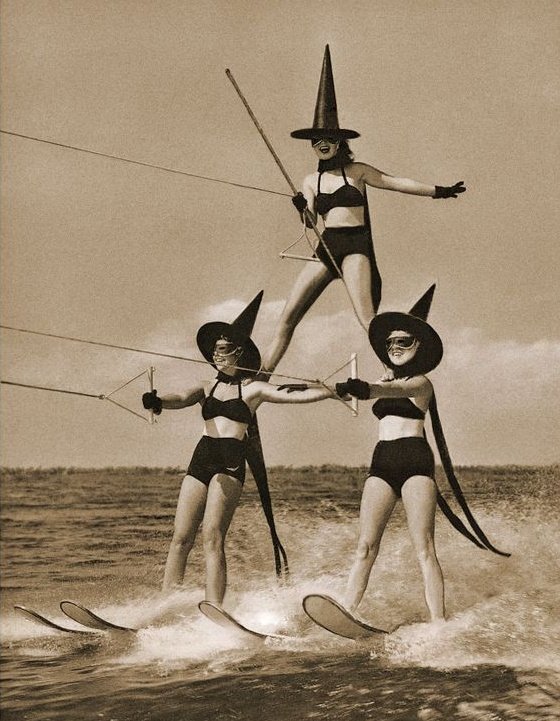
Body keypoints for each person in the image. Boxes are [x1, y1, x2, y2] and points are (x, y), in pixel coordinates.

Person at [261, 45, 465, 375]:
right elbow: (311, 223)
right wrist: (301, 208)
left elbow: (397, 182)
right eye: (316, 140)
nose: (321, 144)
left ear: (340, 141)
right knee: (288, 316)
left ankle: (394, 370)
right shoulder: (311, 180)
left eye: (327, 138)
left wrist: (438, 191)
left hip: (355, 248)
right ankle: (260, 376)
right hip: (326, 247)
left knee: (367, 319)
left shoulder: (358, 172)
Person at [142, 291, 337, 606]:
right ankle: (165, 605)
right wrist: (157, 401)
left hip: (230, 464)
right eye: (215, 351)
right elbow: (180, 397)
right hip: (202, 458)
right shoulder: (208, 386)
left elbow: (291, 393)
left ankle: (214, 607)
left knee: (212, 538)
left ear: (239, 353)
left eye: (223, 350)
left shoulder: (253, 388)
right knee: (180, 538)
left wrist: (331, 390)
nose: (217, 356)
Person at [333, 284, 509, 622]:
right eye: (390, 343)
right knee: (365, 547)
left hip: (415, 463)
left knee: (424, 549)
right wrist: (327, 388)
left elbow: (388, 389)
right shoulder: (385, 379)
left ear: (419, 346)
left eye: (403, 341)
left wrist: (366, 388)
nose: (395, 347)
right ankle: (345, 614)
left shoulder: (421, 383)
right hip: (381, 463)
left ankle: (438, 625)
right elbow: (369, 388)